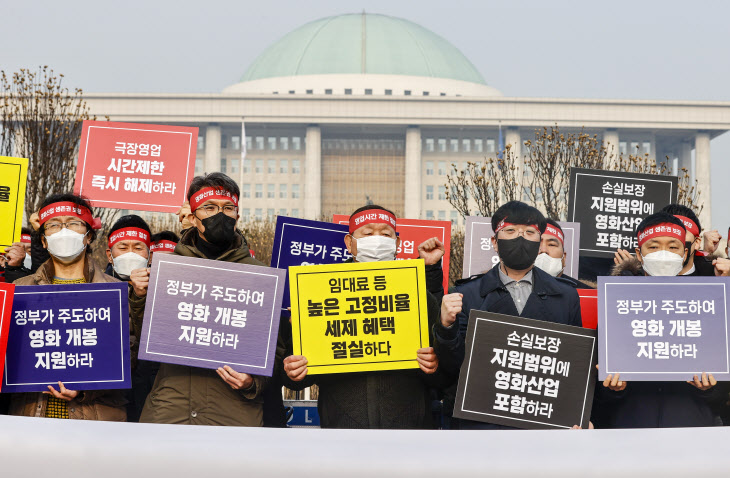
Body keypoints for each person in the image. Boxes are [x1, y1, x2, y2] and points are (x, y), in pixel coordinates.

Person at [129, 172, 278, 426]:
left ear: (237, 216)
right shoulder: (169, 270)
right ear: (193, 217)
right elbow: (146, 340)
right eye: (209, 207)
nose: (219, 215)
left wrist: (254, 381)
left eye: (227, 208)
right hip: (170, 411)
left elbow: (276, 353)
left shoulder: (261, 277)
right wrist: (140, 297)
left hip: (233, 414)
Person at [282, 205, 446, 429]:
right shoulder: (319, 292)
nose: (377, 240)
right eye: (368, 233)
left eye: (386, 234)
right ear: (350, 243)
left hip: (409, 434)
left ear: (397, 243)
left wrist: (436, 365)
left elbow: (447, 371)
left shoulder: (417, 292)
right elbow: (302, 375)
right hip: (342, 432)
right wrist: (294, 371)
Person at [433, 201, 582, 429]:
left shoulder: (567, 296)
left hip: (542, 425)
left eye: (530, 232)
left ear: (539, 241)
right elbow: (452, 368)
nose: (520, 238)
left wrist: (576, 415)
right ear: (495, 241)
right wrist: (445, 326)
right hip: (482, 425)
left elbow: (573, 366)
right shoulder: (464, 295)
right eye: (510, 231)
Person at [599, 212, 727, 427]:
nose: (663, 254)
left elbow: (722, 393)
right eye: (654, 247)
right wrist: (614, 390)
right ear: (639, 254)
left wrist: (710, 389)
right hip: (630, 428)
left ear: (685, 253)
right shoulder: (617, 302)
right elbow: (600, 388)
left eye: (673, 247)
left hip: (692, 429)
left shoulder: (709, 303)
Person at [8, 193, 127, 421]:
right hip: (31, 421)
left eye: (73, 223)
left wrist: (85, 389)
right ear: (43, 240)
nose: (64, 231)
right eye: (54, 225)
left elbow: (129, 358)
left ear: (89, 236)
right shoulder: (19, 289)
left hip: (94, 423)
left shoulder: (115, 291)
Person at [535, 219, 593, 288]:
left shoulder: (584, 293)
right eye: (537, 243)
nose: (543, 250)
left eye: (551, 245)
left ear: (564, 258)